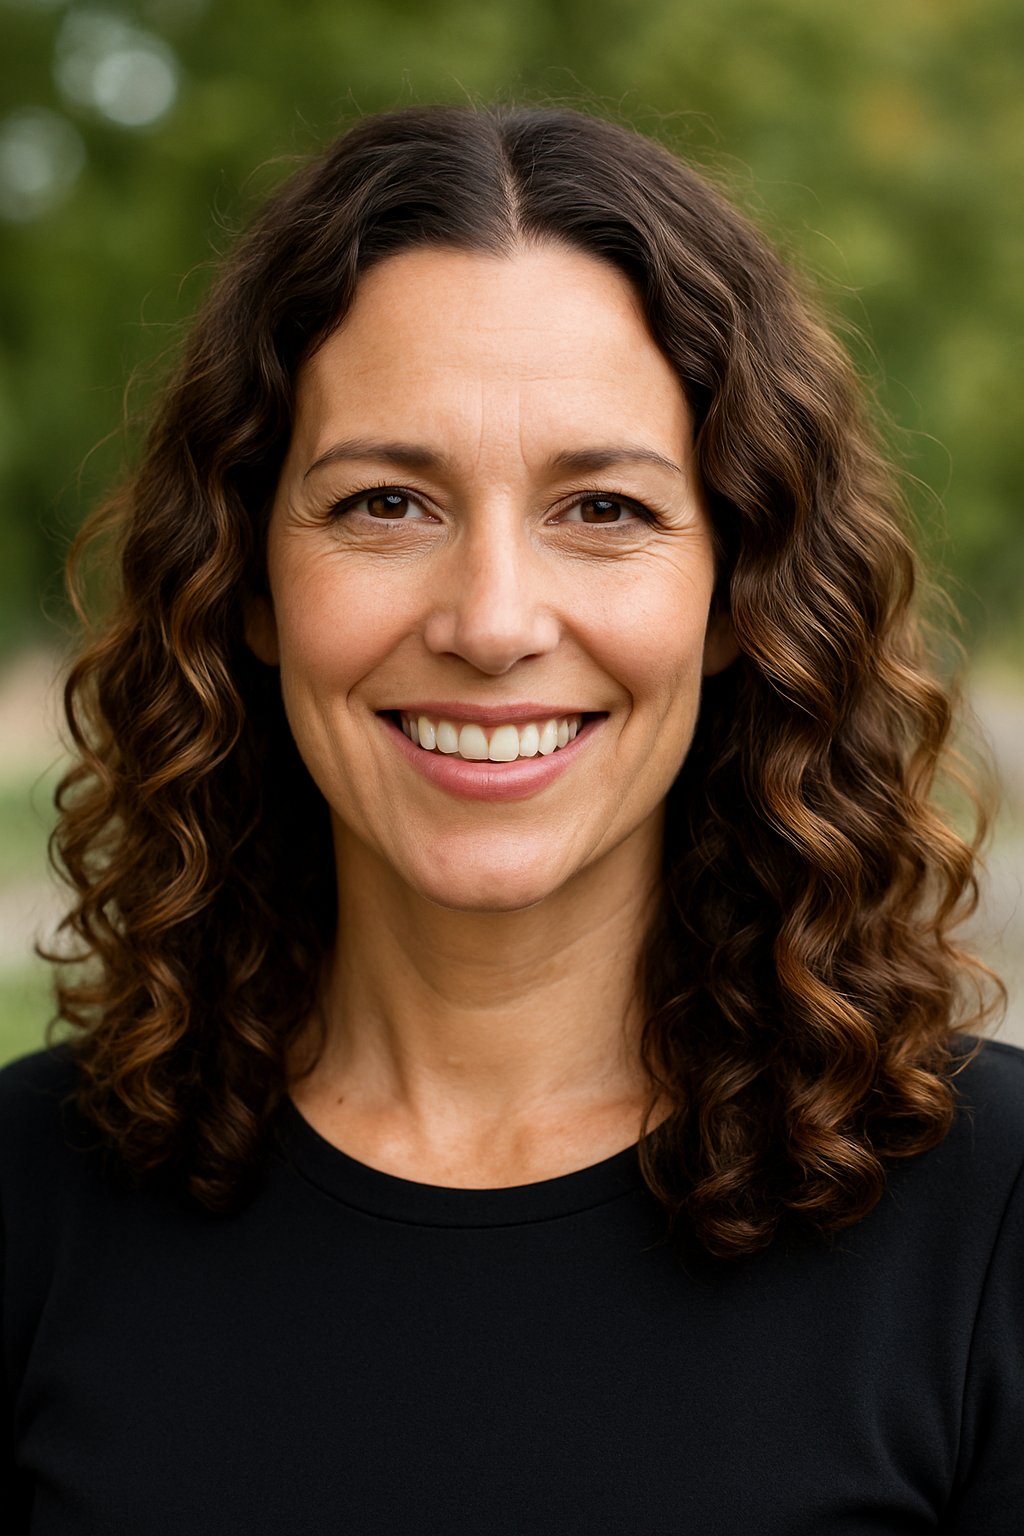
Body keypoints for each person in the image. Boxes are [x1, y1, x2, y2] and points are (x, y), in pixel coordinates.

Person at [2, 102, 1021, 1533]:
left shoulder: (993, 1219)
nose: (492, 621)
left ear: (739, 594)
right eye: (387, 504)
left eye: (602, 507)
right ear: (247, 582)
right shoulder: (29, 1210)